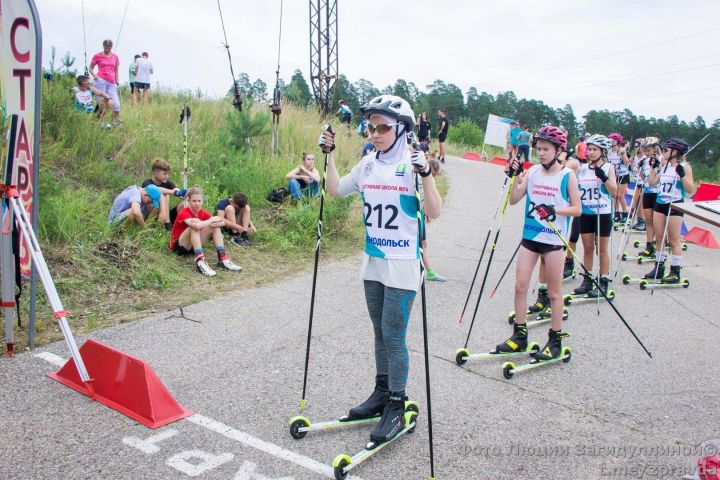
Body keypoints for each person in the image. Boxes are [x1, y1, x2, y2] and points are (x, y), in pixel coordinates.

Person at [324, 94, 442, 447]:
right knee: (379, 331)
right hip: (374, 259)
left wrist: (426, 174)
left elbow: (434, 211)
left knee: (393, 334)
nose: (374, 133)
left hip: (404, 263)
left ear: (402, 129)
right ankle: (381, 391)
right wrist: (329, 156)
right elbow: (334, 190)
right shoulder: (368, 164)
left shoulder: (412, 164)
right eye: (370, 127)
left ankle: (397, 402)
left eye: (383, 128)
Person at [495, 125, 581, 361]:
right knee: (520, 286)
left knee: (554, 293)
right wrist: (514, 177)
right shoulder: (532, 172)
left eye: (546, 149)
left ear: (558, 150)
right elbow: (513, 200)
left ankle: (555, 340)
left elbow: (577, 209)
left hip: (553, 241)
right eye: (538, 148)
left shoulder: (567, 176)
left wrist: (555, 210)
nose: (541, 153)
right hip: (530, 237)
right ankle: (519, 336)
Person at [566, 134, 617, 297]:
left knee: (601, 250)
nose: (592, 152)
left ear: (603, 151)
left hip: (602, 213)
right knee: (588, 248)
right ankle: (587, 280)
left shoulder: (608, 168)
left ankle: (604, 281)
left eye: (595, 149)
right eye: (590, 149)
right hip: (586, 213)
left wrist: (604, 178)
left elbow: (614, 192)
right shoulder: (583, 168)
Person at [644, 138, 695, 282]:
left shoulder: (684, 166)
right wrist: (653, 168)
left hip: (675, 204)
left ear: (675, 151)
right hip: (660, 202)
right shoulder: (665, 166)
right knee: (659, 237)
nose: (664, 152)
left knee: (673, 240)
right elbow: (652, 182)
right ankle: (659, 267)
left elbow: (690, 189)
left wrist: (682, 175)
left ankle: (675, 271)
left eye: (666, 150)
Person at [168, 187, 242, 277]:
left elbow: (221, 222)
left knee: (215, 227)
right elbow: (196, 226)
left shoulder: (201, 212)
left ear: (202, 200)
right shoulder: (184, 211)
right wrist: (211, 221)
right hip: (179, 247)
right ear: (188, 200)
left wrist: (207, 223)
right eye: (194, 201)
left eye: (199, 201)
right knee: (195, 226)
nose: (197, 203)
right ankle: (200, 261)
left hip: (193, 247)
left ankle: (223, 259)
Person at [141, 159, 187, 230]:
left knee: (184, 204)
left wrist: (183, 194)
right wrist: (174, 192)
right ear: (155, 173)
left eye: (168, 173)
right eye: (165, 174)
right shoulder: (147, 183)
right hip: (151, 215)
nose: (167, 176)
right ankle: (166, 224)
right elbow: (157, 189)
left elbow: (176, 190)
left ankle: (173, 224)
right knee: (165, 195)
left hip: (165, 214)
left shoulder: (167, 183)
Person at [636, 137, 662, 257]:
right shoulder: (644, 161)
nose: (646, 152)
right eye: (644, 150)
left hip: (658, 192)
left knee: (657, 221)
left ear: (655, 149)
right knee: (649, 220)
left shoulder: (661, 160)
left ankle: (658, 245)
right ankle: (649, 245)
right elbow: (643, 178)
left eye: (648, 150)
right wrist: (639, 169)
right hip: (647, 191)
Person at [422, 159, 446, 281]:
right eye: (433, 174)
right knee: (422, 244)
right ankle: (429, 271)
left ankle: (428, 271)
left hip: (421, 217)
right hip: (417, 218)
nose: (433, 177)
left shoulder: (428, 180)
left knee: (423, 244)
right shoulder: (422, 179)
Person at [89, 39, 122, 127]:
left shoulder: (115, 57)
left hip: (112, 83)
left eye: (109, 47)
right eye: (106, 47)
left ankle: (114, 122)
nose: (108, 49)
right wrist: (95, 76)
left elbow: (116, 70)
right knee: (102, 103)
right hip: (101, 81)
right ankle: (101, 123)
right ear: (103, 46)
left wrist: (117, 82)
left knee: (117, 105)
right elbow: (90, 68)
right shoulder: (97, 56)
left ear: (111, 47)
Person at [608, 133, 631, 223]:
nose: (609, 142)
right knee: (614, 195)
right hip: (614, 175)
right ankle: (616, 213)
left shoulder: (620, 151)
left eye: (611, 140)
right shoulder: (609, 152)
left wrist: (623, 153)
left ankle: (625, 213)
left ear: (616, 141)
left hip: (623, 175)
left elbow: (626, 163)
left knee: (620, 195)